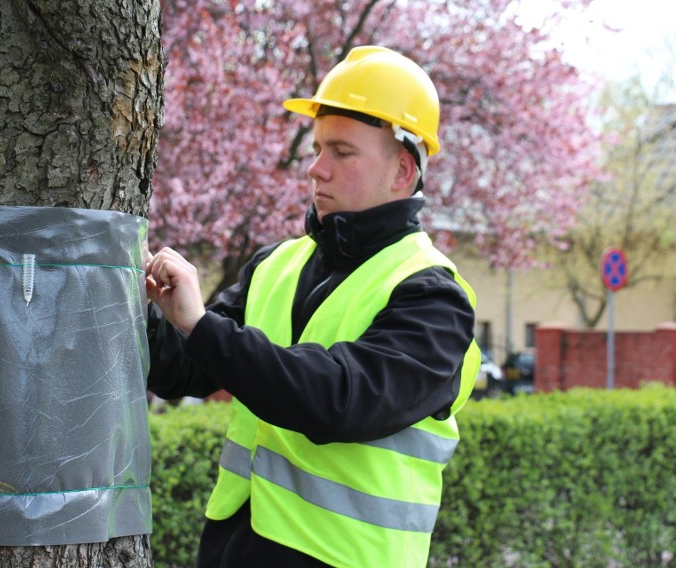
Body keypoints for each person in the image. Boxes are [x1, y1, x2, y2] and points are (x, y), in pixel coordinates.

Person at [145, 45, 480, 568]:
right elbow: (182, 369)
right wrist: (138, 296)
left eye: (342, 152)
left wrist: (200, 324)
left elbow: (338, 399)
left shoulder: (434, 296)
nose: (316, 170)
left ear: (402, 170)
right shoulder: (277, 263)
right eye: (318, 148)